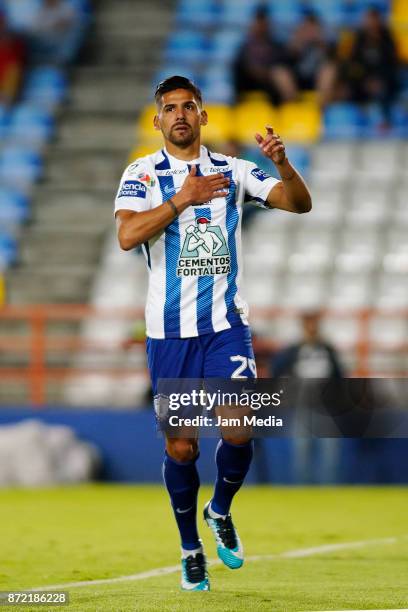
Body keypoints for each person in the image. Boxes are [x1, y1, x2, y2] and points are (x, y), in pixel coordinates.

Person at [114, 75, 311, 591]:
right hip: (169, 334)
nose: (180, 115)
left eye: (190, 106)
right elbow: (127, 235)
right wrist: (183, 199)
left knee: (240, 429)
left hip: (226, 326)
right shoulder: (141, 173)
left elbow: (298, 204)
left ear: (203, 117)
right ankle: (189, 547)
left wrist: (282, 164)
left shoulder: (233, 170)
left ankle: (219, 509)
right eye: (170, 108)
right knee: (182, 450)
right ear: (157, 120)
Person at [270, 311, 345, 484]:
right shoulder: (294, 350)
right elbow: (276, 369)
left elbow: (340, 377)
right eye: (308, 325)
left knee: (329, 455)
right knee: (301, 454)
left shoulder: (327, 350)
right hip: (301, 408)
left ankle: (328, 491)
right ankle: (302, 492)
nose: (311, 329)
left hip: (326, 409)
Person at [344, 7, 399, 124]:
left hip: (384, 81)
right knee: (350, 87)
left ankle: (385, 121)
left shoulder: (387, 39)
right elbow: (354, 64)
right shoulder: (359, 40)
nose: (370, 24)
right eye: (368, 20)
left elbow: (392, 65)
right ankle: (358, 120)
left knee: (386, 91)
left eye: (373, 20)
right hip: (364, 81)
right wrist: (366, 81)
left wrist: (379, 80)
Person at [233, 6, 297, 104]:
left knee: (280, 73)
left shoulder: (275, 45)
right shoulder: (245, 47)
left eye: (263, 22)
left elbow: (285, 62)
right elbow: (243, 66)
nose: (261, 26)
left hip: (271, 88)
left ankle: (289, 108)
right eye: (258, 22)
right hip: (249, 84)